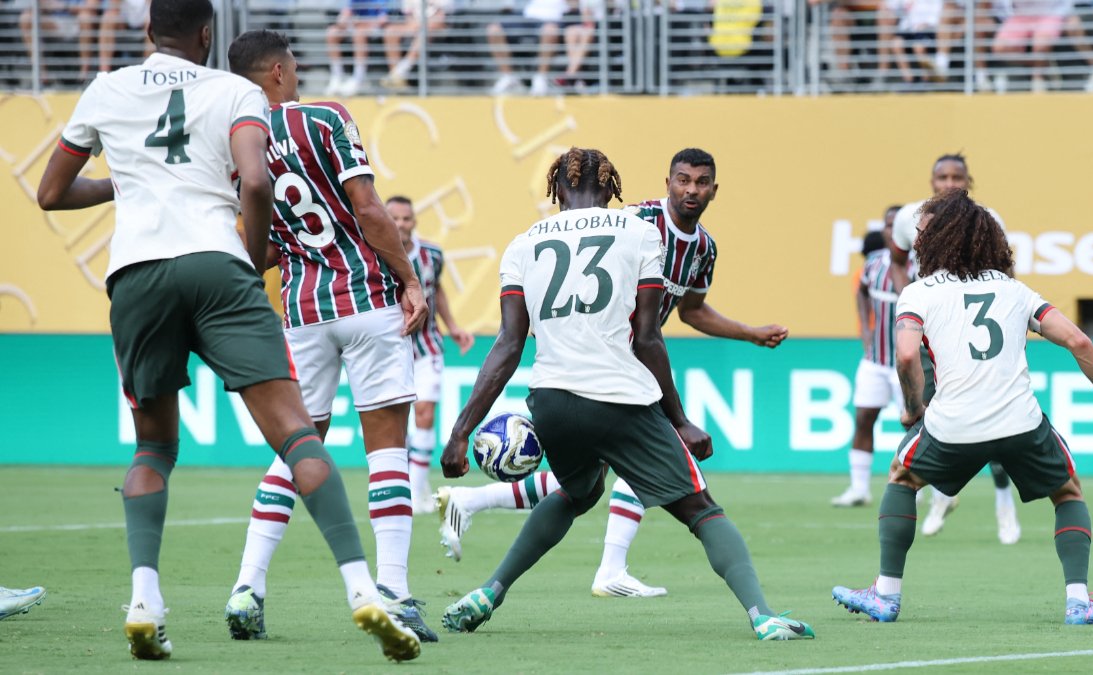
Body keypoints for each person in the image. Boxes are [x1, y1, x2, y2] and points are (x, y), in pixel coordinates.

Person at [36, 2, 419, 662]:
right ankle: (368, 588)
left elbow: (49, 193)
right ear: (209, 36)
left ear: (148, 30)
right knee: (298, 432)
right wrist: (249, 254)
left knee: (152, 449)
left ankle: (148, 601)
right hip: (225, 266)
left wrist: (129, 179)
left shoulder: (106, 88)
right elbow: (255, 179)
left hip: (138, 272)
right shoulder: (238, 92)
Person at [437, 147, 814, 641]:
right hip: (619, 396)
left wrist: (460, 431)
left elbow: (507, 346)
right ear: (612, 186)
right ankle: (763, 616)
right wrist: (678, 419)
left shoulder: (522, 243)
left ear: (558, 189)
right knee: (701, 509)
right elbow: (648, 337)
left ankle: (489, 591)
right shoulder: (639, 231)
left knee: (578, 490)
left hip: (550, 399)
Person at [224, 29, 436, 645]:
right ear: (277, 73)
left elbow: (258, 243)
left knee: (298, 448)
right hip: (367, 302)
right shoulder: (324, 118)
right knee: (387, 451)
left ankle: (247, 587)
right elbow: (369, 208)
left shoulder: (235, 138)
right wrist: (411, 280)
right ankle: (393, 592)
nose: (299, 74)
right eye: (293, 65)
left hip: (301, 310)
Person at [832, 188, 1093, 625]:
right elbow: (1078, 341)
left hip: (953, 424)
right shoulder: (1015, 290)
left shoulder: (918, 293)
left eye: (921, 233)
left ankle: (886, 594)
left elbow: (907, 355)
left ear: (940, 238)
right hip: (1020, 423)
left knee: (902, 478)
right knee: (1067, 492)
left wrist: (914, 408)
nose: (917, 239)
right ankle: (1080, 601)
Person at [889, 154, 1021, 545]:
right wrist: (907, 301)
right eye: (942, 176)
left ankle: (1004, 502)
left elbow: (1005, 273)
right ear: (930, 181)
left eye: (957, 177)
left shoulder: (986, 218)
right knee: (926, 415)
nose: (949, 183)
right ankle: (939, 494)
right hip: (930, 335)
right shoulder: (909, 217)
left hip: (973, 338)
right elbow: (896, 261)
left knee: (993, 419)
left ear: (968, 181)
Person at [387, 195, 475, 513]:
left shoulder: (432, 254)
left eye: (406, 218)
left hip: (427, 345)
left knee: (424, 412)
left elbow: (436, 289)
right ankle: (411, 482)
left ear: (414, 221)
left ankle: (417, 491)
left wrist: (452, 326)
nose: (401, 224)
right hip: (390, 347)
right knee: (396, 420)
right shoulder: (375, 252)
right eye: (394, 218)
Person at [832, 205, 908, 507]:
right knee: (864, 418)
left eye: (897, 226)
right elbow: (861, 291)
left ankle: (927, 491)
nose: (891, 232)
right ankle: (859, 488)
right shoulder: (874, 263)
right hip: (875, 360)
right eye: (888, 226)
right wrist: (865, 327)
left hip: (909, 365)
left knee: (916, 428)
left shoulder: (920, 266)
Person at [380, 0, 451, 90]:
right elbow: (408, 16)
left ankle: (399, 72)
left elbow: (442, 15)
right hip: (415, 24)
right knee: (390, 31)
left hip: (436, 25)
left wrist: (422, 24)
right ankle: (398, 81)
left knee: (425, 31)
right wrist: (415, 25)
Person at [325, 0, 390, 97]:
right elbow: (343, 18)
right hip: (356, 25)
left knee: (359, 33)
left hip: (377, 28)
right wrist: (346, 21)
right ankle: (337, 76)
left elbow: (384, 19)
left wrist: (361, 22)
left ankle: (358, 78)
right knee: (332, 32)